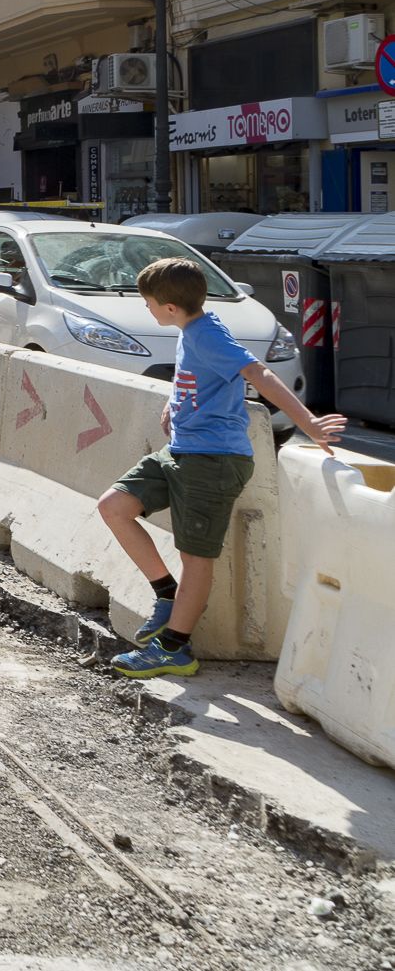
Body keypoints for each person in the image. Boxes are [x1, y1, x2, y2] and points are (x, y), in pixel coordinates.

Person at [99, 257, 344, 678]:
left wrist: (309, 424)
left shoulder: (207, 334)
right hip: (181, 451)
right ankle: (167, 594)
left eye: (148, 303)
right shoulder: (191, 329)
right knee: (114, 506)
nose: (146, 309)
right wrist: (172, 405)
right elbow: (200, 378)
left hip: (213, 459)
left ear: (169, 308)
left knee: (196, 556)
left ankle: (174, 648)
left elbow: (257, 372)